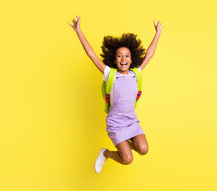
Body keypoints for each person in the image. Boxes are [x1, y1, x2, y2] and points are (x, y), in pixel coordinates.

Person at [69, 15, 163, 173]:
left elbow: (150, 54)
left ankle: (124, 144)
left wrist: (158, 33)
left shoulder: (136, 73)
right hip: (116, 124)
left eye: (127, 55)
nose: (123, 59)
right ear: (114, 59)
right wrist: (78, 31)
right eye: (119, 56)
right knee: (127, 159)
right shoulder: (109, 74)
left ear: (132, 59)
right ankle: (105, 153)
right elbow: (91, 54)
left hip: (131, 122)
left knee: (144, 149)